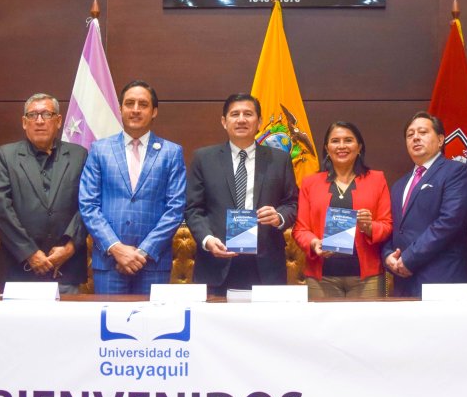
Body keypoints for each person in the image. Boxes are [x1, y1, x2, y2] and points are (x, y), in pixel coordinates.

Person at [79, 81, 187, 295]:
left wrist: (143, 251)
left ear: (154, 111)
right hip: (110, 262)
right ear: (120, 109)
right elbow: (88, 205)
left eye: (143, 104)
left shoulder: (171, 152)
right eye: (129, 103)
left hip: (153, 264)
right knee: (108, 325)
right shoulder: (99, 150)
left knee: (153, 327)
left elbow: (175, 209)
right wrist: (116, 248)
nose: (136, 109)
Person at [184, 93, 298, 294]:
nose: (241, 119)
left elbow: (292, 203)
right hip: (217, 260)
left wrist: (279, 216)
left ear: (260, 121)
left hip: (265, 265)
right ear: (224, 121)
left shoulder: (279, 159)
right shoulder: (204, 158)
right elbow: (193, 208)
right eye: (235, 114)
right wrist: (207, 239)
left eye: (248, 114)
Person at [0, 93, 88, 293]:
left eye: (46, 114)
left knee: (65, 325)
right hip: (19, 268)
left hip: (65, 268)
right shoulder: (6, 155)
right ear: (24, 123)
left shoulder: (79, 155)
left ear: (59, 121)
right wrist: (30, 253)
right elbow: (1, 209)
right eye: (33, 115)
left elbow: (88, 204)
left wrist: (69, 247)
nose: (40, 121)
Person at [293, 121, 393, 298]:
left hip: (366, 278)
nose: (341, 146)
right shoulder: (310, 183)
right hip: (321, 278)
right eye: (335, 141)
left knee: (366, 326)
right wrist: (314, 243)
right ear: (327, 148)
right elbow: (300, 229)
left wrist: (369, 227)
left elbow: (387, 225)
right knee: (321, 326)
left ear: (359, 147)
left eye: (348, 140)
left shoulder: (377, 180)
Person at [383, 112, 467, 298]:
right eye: (410, 135)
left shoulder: (456, 172)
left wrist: (408, 259)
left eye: (423, 132)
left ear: (441, 139)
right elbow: (392, 227)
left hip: (440, 278)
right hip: (404, 281)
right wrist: (388, 257)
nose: (415, 137)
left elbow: (449, 222)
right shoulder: (399, 185)